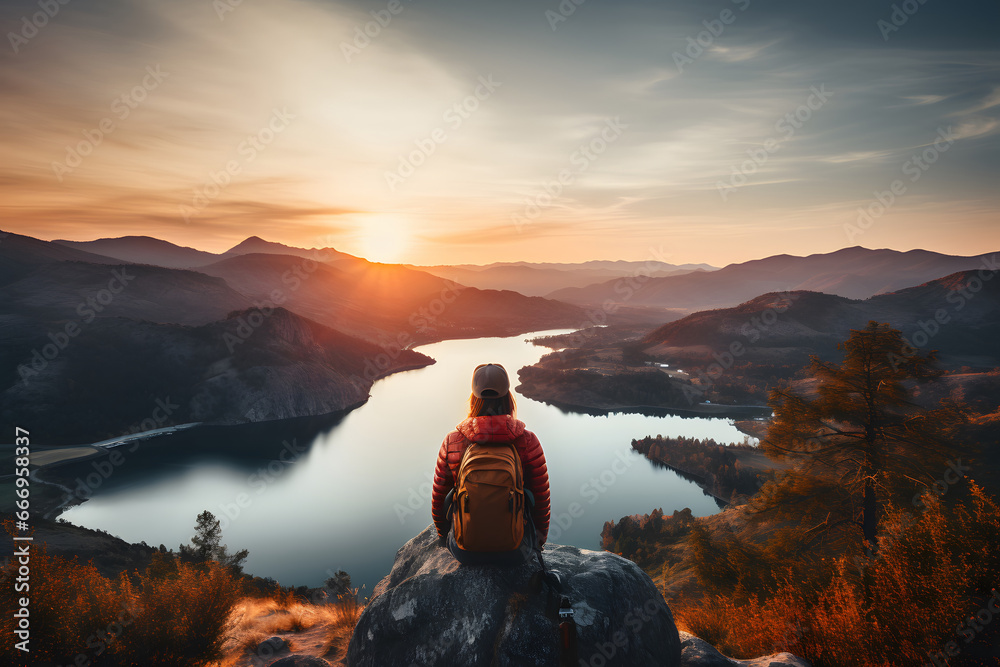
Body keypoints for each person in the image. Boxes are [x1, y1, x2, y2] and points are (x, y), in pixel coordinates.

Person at [431, 363, 551, 565]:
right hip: (517, 551)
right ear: (508, 398)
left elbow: (439, 500)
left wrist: (445, 537)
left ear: (473, 400)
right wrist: (537, 544)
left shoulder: (453, 441)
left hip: (464, 550)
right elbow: (541, 501)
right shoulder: (528, 441)